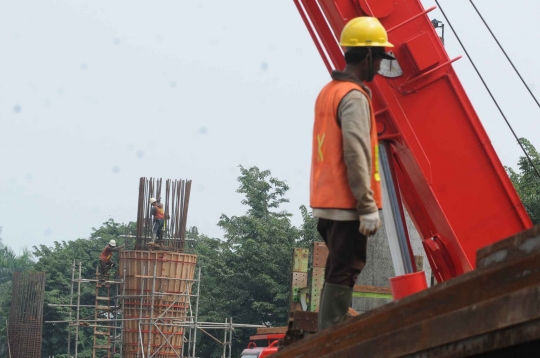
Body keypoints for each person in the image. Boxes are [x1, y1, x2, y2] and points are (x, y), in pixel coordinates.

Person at [310, 17, 394, 330]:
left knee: (339, 263)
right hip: (346, 203)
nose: (381, 66)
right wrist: (367, 205)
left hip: (327, 199)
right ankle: (331, 326)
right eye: (381, 58)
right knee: (346, 266)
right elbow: (355, 154)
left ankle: (331, 321)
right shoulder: (354, 96)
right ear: (369, 56)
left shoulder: (330, 91)